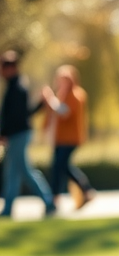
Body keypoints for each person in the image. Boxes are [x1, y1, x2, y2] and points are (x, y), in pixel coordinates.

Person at [1, 51, 56, 219]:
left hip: (19, 134)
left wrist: (3, 133)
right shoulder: (15, 85)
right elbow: (26, 112)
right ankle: (9, 207)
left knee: (24, 170)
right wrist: (40, 104)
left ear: (11, 68)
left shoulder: (17, 87)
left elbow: (17, 116)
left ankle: (48, 201)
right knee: (12, 172)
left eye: (3, 68)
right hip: (18, 134)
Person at [41, 64, 96, 208]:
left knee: (61, 165)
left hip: (71, 138)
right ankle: (60, 196)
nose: (62, 83)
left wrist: (51, 99)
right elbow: (53, 114)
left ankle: (84, 190)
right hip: (59, 138)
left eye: (65, 79)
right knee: (59, 167)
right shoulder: (62, 95)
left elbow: (64, 112)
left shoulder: (76, 95)